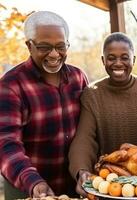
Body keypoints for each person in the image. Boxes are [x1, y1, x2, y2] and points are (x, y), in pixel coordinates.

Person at [0, 11, 88, 198]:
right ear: (29, 45)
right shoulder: (11, 85)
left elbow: (87, 132)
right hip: (28, 189)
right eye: (44, 47)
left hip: (74, 187)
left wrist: (83, 170)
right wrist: (33, 181)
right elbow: (6, 143)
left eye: (60, 46)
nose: (54, 54)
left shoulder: (78, 78)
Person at [68, 32, 137, 197]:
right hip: (111, 184)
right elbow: (84, 139)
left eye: (125, 57)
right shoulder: (92, 94)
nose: (118, 63)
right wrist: (82, 171)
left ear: (133, 59)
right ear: (103, 61)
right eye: (111, 58)